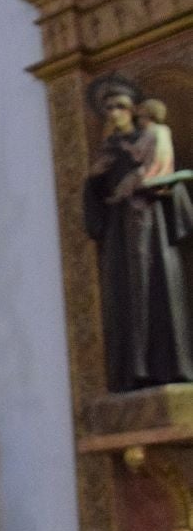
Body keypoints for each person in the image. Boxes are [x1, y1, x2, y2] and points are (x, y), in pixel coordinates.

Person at [83, 77, 193, 390]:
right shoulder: (108, 150)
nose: (113, 113)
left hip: (153, 226)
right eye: (107, 108)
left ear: (133, 111)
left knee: (160, 291)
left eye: (119, 106)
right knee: (124, 297)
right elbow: (97, 203)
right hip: (121, 234)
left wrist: (164, 191)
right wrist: (93, 180)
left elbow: (169, 179)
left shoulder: (151, 139)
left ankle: (169, 367)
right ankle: (132, 372)